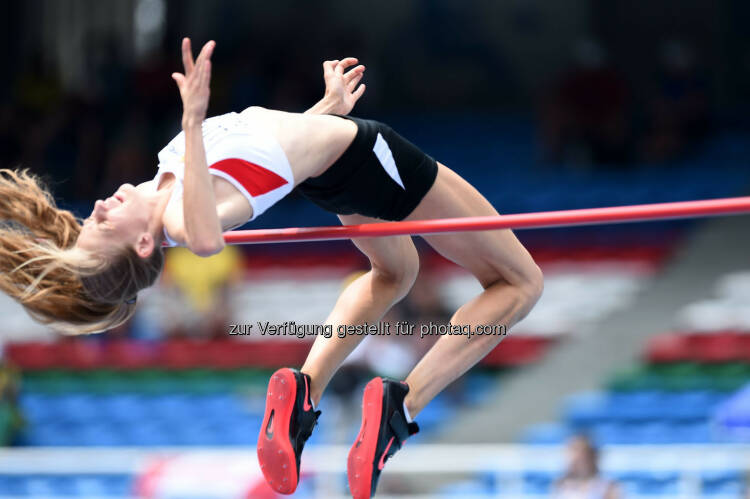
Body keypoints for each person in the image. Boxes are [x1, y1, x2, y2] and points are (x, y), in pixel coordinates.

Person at [0, 38, 543, 497]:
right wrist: (191, 119)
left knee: (394, 274)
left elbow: (270, 153)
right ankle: (403, 403)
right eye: (102, 226)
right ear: (144, 244)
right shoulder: (182, 216)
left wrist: (324, 110)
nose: (96, 208)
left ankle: (304, 391)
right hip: (368, 159)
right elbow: (208, 240)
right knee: (519, 283)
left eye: (90, 219)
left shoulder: (164, 184)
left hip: (332, 171)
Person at [553, 435, 620, 499]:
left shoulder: (608, 486)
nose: (575, 458)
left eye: (582, 455)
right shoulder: (560, 484)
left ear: (591, 456)